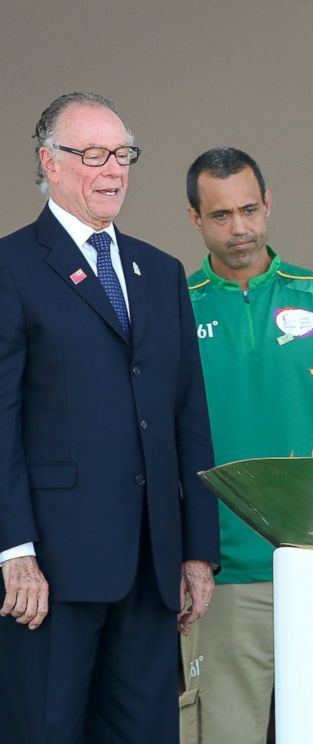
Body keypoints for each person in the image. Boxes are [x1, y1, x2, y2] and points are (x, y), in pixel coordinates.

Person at [0, 92, 219, 743]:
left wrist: (198, 550)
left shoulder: (160, 272)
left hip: (151, 567)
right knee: (45, 729)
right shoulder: (12, 267)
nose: (113, 170)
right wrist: (14, 548)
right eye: (94, 155)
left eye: (122, 155)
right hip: (51, 570)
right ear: (51, 163)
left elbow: (188, 415)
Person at [179, 147, 313, 744]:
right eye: (220, 216)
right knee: (223, 735)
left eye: (248, 210)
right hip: (224, 571)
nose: (239, 229)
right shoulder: (173, 309)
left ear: (268, 204)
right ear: (195, 219)